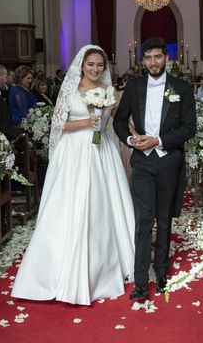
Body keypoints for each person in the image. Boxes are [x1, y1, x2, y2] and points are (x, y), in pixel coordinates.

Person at [11, 45, 135, 305]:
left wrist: (136, 135)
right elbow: (58, 124)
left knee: (102, 207)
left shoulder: (111, 92)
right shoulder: (69, 90)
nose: (95, 69)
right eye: (91, 64)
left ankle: (106, 265)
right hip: (75, 152)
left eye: (100, 65)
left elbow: (119, 122)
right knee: (70, 207)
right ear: (82, 65)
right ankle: (58, 270)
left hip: (102, 153)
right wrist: (86, 122)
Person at [113, 37, 197, 301]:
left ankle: (161, 274)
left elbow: (189, 128)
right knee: (143, 220)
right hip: (142, 160)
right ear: (142, 60)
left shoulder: (181, 87)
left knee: (163, 219)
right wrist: (130, 140)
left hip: (168, 159)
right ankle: (140, 282)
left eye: (158, 57)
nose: (153, 62)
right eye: (148, 58)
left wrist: (159, 140)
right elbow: (118, 121)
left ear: (166, 58)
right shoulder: (134, 86)